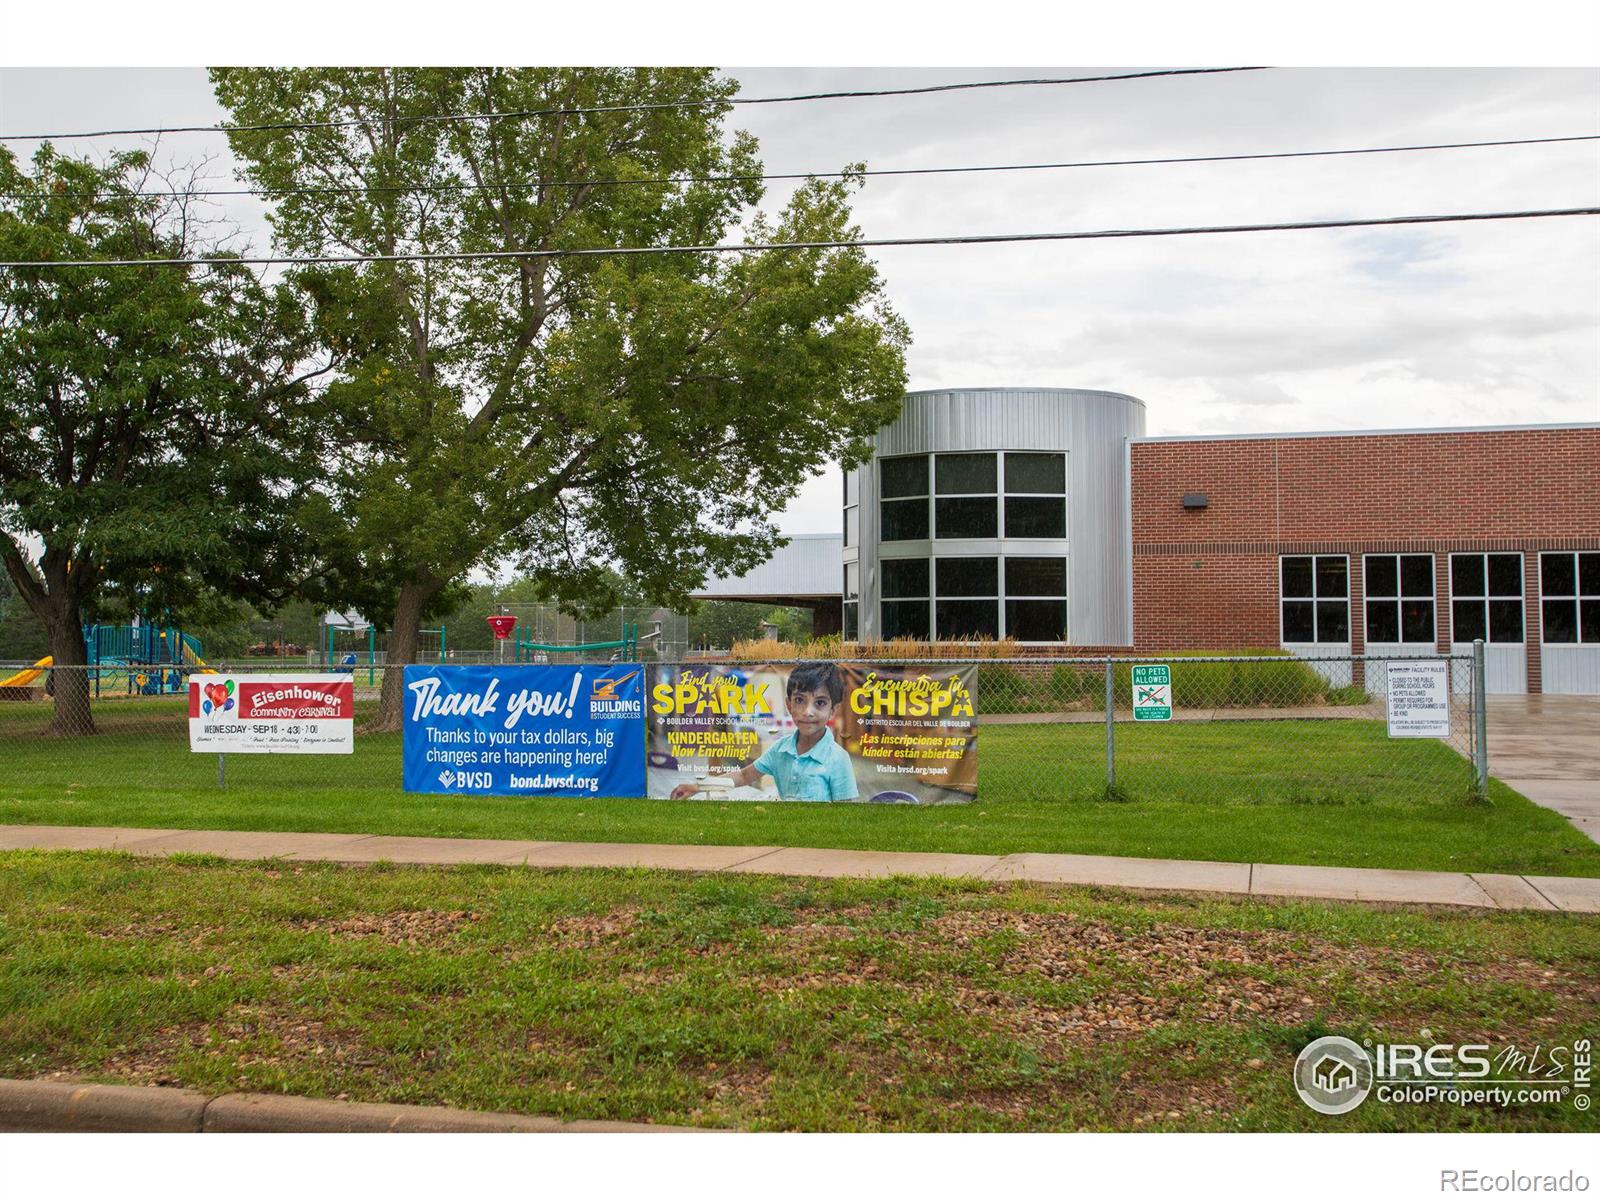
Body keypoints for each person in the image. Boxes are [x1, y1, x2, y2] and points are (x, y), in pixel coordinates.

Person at [671, 662, 859, 802]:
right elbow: (743, 776)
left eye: (820, 703)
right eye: (800, 700)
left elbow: (845, 816)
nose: (808, 712)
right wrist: (697, 787)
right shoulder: (780, 750)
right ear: (789, 705)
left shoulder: (838, 759)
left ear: (833, 710)